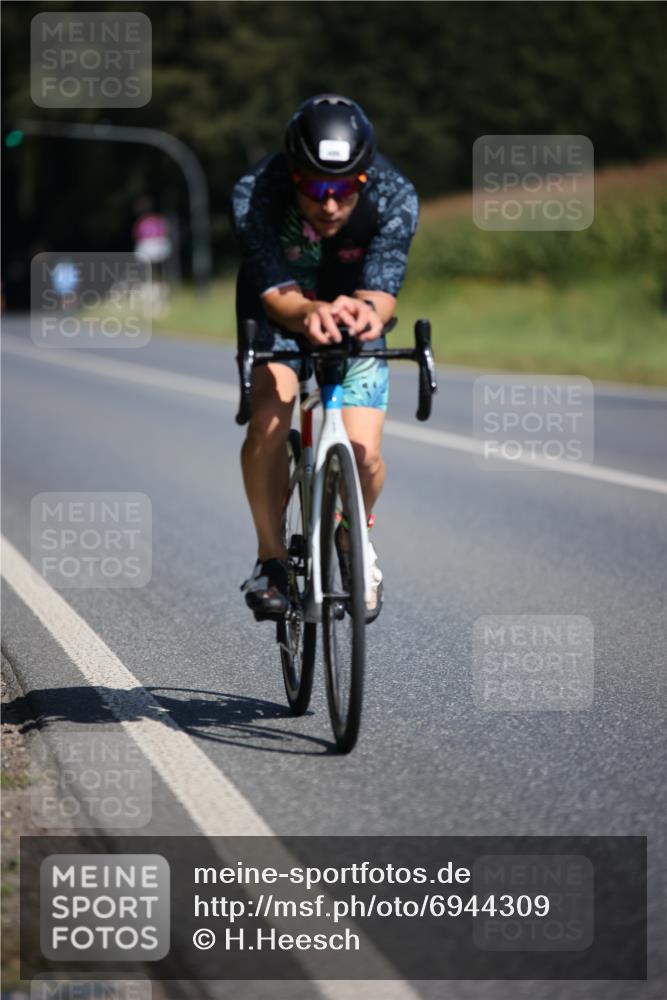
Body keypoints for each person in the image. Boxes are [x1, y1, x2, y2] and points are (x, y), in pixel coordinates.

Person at [231, 94, 419, 623]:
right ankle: (271, 561)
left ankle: (351, 532)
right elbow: (275, 295)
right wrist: (311, 311)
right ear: (293, 174)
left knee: (364, 455)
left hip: (355, 313)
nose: (331, 205)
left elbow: (383, 292)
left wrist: (366, 313)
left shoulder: (395, 194)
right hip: (280, 311)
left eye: (345, 188)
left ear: (365, 177)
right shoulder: (255, 192)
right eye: (316, 188)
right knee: (269, 421)